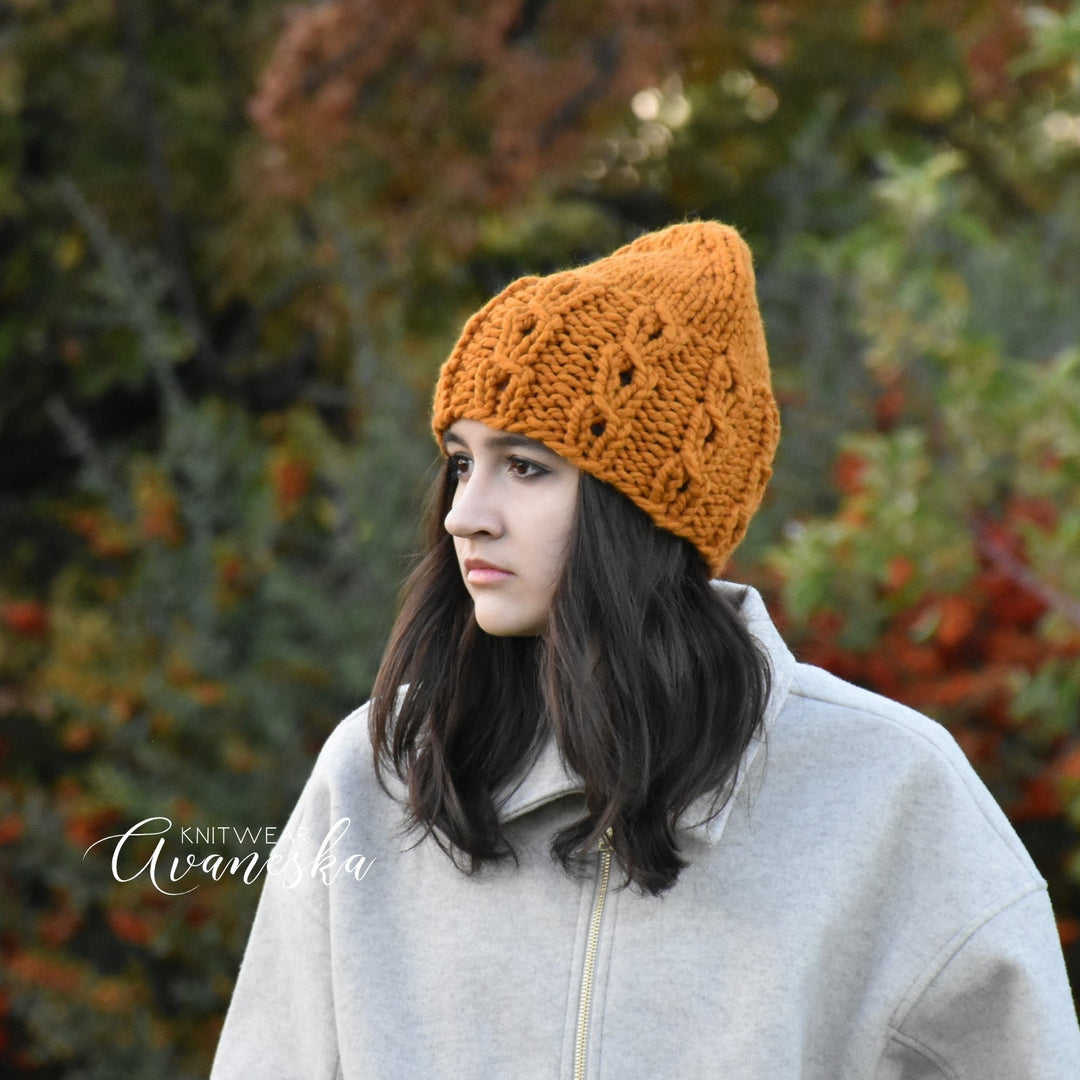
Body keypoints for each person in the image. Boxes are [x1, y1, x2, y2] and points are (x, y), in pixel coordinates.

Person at [210, 221, 1080, 1079]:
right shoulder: (377, 774)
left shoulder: (892, 791)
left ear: (648, 510)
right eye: (460, 460)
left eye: (525, 466)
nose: (462, 512)